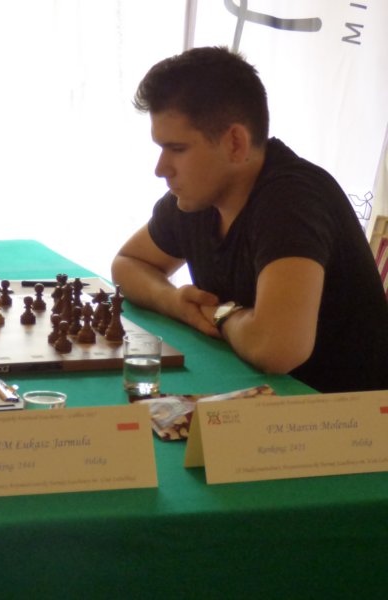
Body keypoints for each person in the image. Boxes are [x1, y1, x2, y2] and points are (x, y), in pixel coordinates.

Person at [112, 46, 388, 394]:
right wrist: (175, 302)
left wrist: (220, 315)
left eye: (177, 149)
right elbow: (128, 263)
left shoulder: (292, 200)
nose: (161, 169)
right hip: (264, 406)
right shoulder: (200, 195)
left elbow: (277, 349)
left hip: (346, 418)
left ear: (235, 143)